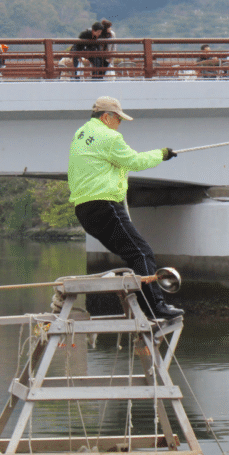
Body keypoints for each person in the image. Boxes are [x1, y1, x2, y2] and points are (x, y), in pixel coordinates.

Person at [68, 96, 183, 320]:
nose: (120, 123)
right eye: (118, 118)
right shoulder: (109, 136)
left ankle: (143, 305)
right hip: (104, 205)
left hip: (84, 210)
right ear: (106, 117)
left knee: (134, 255)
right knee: (141, 253)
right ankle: (155, 307)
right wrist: (162, 154)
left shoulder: (80, 134)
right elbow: (135, 161)